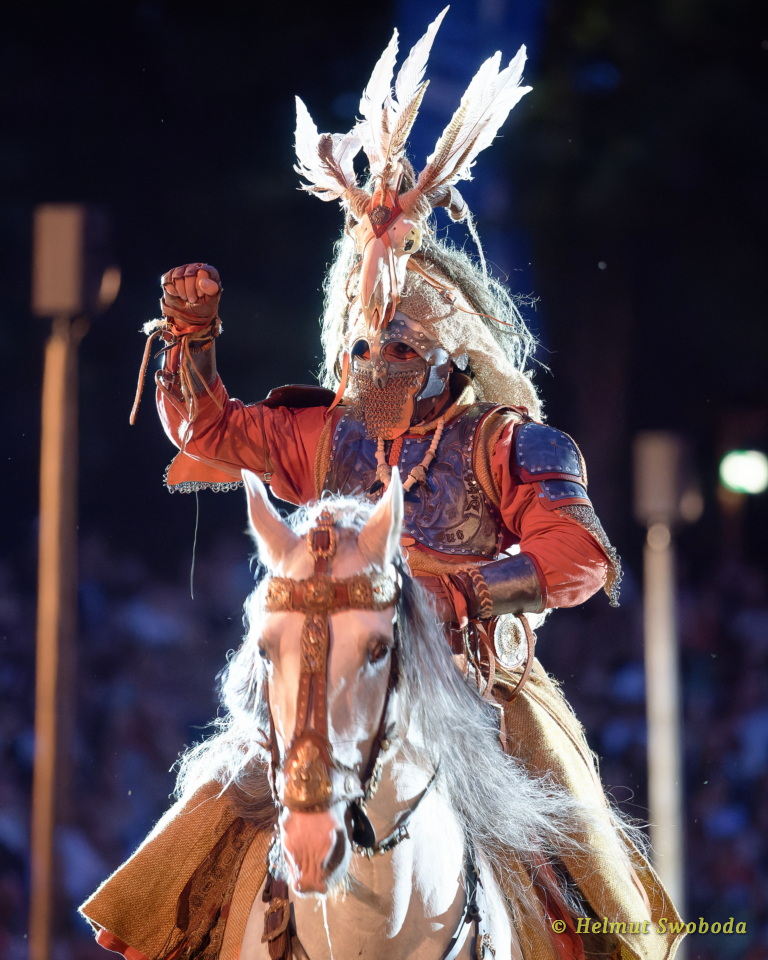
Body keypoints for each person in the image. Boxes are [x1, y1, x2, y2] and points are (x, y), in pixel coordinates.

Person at [82, 12, 684, 959]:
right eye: (364, 344)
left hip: (480, 691)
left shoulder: (511, 441)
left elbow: (578, 557)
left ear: (450, 349)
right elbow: (210, 431)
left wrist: (455, 594)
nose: (376, 361)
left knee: (599, 887)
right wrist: (191, 342)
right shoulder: (327, 432)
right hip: (326, 675)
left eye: (400, 346)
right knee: (195, 844)